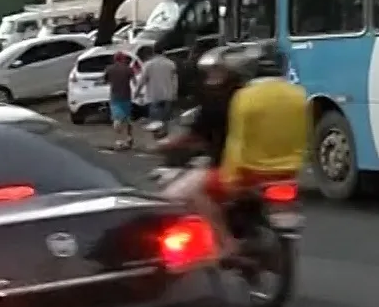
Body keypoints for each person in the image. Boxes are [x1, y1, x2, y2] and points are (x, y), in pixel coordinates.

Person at [161, 44, 308, 258]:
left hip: (248, 173)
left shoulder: (244, 97)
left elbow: (237, 141)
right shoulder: (299, 94)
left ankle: (226, 243)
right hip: (289, 172)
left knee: (196, 193)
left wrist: (231, 176)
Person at [137, 45, 179, 135]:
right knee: (165, 119)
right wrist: (174, 93)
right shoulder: (171, 64)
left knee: (155, 121)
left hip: (153, 96)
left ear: (153, 52)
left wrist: (137, 92)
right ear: (164, 52)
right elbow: (175, 80)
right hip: (168, 95)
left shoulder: (148, 65)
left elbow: (142, 81)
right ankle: (165, 135)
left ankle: (157, 138)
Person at [103, 51, 137, 150]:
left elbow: (105, 80)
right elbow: (135, 81)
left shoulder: (109, 69)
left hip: (115, 97)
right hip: (126, 96)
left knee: (117, 118)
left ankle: (119, 139)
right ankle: (129, 138)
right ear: (123, 59)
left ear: (114, 59)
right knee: (127, 118)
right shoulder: (128, 69)